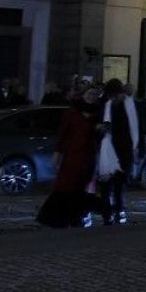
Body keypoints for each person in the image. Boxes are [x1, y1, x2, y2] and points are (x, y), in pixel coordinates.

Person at [37, 84, 103, 228]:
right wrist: (57, 154)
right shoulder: (72, 113)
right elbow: (63, 134)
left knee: (81, 188)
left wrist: (99, 130)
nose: (91, 97)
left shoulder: (98, 114)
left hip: (88, 155)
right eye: (89, 94)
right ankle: (56, 217)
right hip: (72, 155)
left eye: (94, 94)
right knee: (66, 186)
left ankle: (75, 217)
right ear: (83, 95)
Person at [95, 78, 139, 225]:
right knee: (107, 183)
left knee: (120, 182)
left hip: (124, 149)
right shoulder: (104, 106)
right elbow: (97, 125)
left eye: (117, 95)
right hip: (108, 148)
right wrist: (101, 129)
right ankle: (107, 212)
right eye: (113, 96)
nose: (115, 98)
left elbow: (134, 127)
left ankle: (119, 209)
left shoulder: (128, 105)